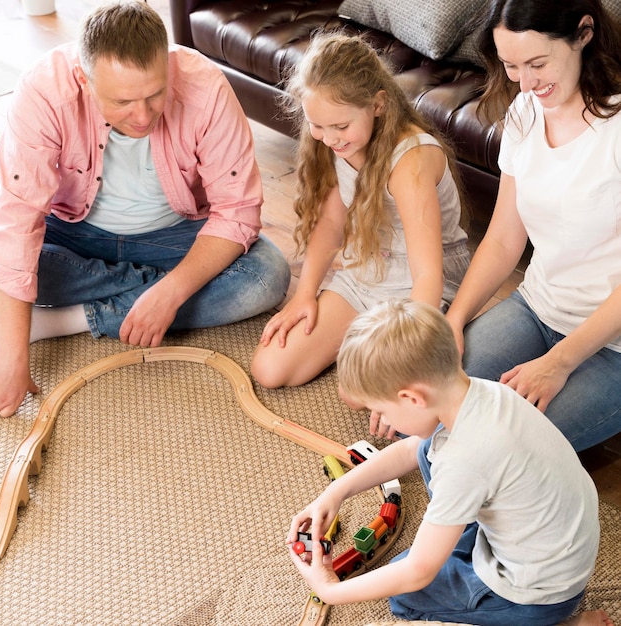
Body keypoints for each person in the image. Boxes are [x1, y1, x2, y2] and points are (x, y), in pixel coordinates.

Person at [0, 0, 290, 418]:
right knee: (4, 255)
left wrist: (170, 293)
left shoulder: (205, 87)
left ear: (167, 66)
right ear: (84, 78)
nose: (142, 115)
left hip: (174, 233)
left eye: (155, 95)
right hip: (71, 231)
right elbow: (18, 221)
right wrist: (10, 358)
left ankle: (64, 321)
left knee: (266, 278)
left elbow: (237, 211)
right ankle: (135, 296)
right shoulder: (43, 90)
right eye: (122, 102)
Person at [288, 299, 609, 626]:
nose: (382, 420)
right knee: (429, 451)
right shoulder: (482, 392)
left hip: (533, 597)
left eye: (381, 411)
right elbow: (412, 450)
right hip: (555, 552)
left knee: (404, 594)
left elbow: (418, 574)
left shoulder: (465, 459)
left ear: (412, 399)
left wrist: (329, 590)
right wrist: (337, 492)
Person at [444, 0, 621, 452]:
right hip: (539, 307)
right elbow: (504, 237)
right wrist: (454, 320)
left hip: (613, 346)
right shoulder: (525, 111)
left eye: (538, 63)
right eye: (511, 66)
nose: (526, 81)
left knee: (505, 452)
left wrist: (557, 363)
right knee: (432, 404)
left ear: (584, 34)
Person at [250, 32, 470, 389]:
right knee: (270, 369)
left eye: (340, 126)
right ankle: (362, 342)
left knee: (361, 392)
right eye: (317, 125)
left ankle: (367, 347)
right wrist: (306, 293)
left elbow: (428, 277)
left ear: (378, 105)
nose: (330, 137)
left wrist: (410, 355)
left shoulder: (411, 160)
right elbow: (332, 222)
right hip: (367, 269)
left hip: (421, 285)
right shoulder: (336, 141)